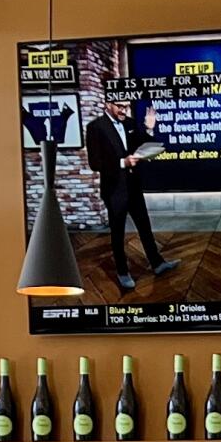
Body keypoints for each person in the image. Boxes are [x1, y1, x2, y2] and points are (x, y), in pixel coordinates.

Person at [79, 82, 177, 294]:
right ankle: (123, 272)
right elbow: (95, 163)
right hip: (114, 190)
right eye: (120, 106)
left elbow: (144, 144)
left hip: (133, 186)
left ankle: (157, 263)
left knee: (145, 226)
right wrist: (123, 163)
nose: (124, 110)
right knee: (118, 233)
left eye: (126, 106)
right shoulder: (96, 128)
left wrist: (149, 128)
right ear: (108, 104)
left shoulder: (130, 123)